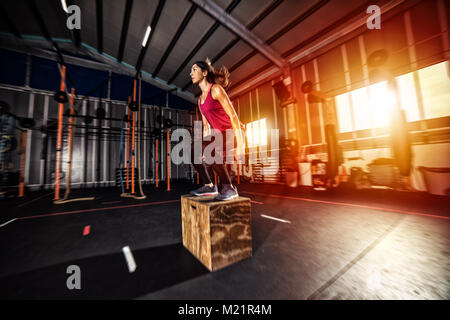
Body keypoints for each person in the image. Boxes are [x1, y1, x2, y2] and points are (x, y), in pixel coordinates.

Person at [189, 58, 245, 201]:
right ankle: (209, 186)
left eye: (194, 69)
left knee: (212, 147)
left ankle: (229, 188)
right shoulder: (200, 100)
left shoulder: (216, 89)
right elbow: (207, 127)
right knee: (194, 148)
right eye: (191, 71)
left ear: (205, 72)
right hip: (220, 136)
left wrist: (241, 145)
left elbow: (233, 115)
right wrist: (201, 148)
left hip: (233, 132)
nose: (191, 73)